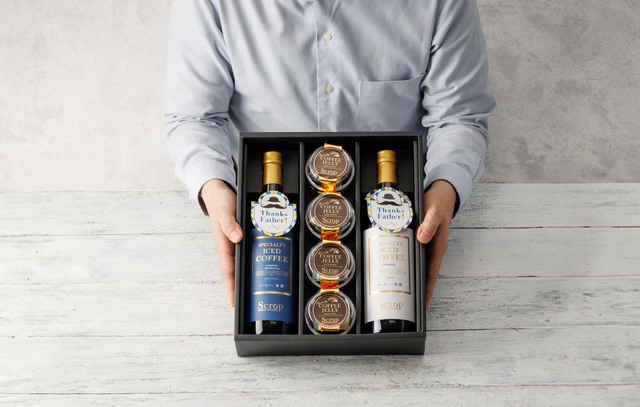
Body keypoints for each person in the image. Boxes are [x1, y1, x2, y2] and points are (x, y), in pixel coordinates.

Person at [163, 0, 496, 308]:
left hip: (393, 213)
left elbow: (459, 118)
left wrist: (445, 188)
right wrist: (213, 187)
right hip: (266, 211)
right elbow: (194, 117)